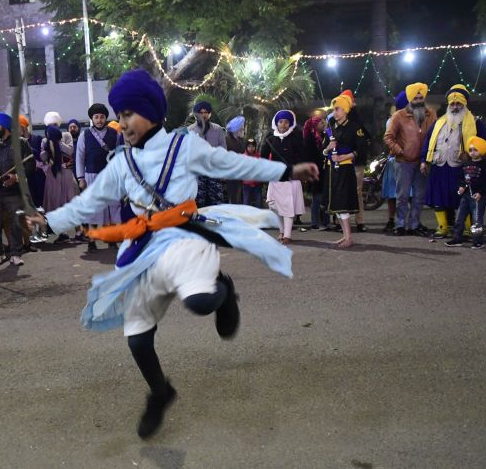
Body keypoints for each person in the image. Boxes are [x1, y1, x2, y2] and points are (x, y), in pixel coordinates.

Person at [25, 69, 319, 440]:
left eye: (128, 112)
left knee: (199, 302)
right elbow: (86, 204)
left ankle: (223, 290)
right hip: (141, 250)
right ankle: (161, 392)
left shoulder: (185, 146)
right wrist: (48, 222)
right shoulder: (121, 163)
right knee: (137, 339)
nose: (121, 121)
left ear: (150, 111)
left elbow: (234, 164)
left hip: (185, 238)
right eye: (119, 114)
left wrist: (288, 169)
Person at [422, 84, 486, 239]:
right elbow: (428, 141)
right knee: (439, 197)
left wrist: (472, 156)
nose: (455, 106)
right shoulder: (438, 122)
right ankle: (443, 227)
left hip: (462, 168)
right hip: (439, 165)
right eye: (452, 103)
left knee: (463, 198)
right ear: (448, 104)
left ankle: (466, 228)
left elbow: (483, 143)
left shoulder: (475, 122)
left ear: (465, 104)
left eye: (459, 103)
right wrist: (424, 160)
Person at [383, 83, 437, 236]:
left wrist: (428, 157)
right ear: (409, 99)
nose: (419, 100)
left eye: (421, 97)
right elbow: (388, 138)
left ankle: (414, 224)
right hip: (403, 162)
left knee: (419, 196)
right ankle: (400, 225)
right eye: (415, 97)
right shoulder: (399, 116)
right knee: (402, 196)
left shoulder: (431, 114)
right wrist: (401, 151)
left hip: (423, 162)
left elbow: (435, 135)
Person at [0, 112, 32, 266]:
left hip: (14, 193)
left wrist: (17, 177)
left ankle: (16, 253)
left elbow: (30, 165)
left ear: (6, 126)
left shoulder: (21, 143)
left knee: (15, 223)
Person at [324, 95, 368, 248]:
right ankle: (344, 236)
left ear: (346, 110)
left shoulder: (355, 127)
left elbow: (361, 149)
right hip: (332, 170)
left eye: (338, 109)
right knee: (336, 205)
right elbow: (323, 149)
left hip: (345, 169)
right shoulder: (331, 126)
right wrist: (328, 148)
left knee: (343, 204)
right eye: (334, 109)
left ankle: (349, 237)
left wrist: (344, 156)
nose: (335, 112)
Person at [76, 103, 120, 252]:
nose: (99, 120)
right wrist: (81, 178)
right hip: (92, 176)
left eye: (102, 117)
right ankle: (91, 241)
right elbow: (80, 157)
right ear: (92, 119)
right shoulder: (85, 135)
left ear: (105, 118)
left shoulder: (115, 134)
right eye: (96, 117)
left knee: (111, 209)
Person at [261, 110, 305, 244]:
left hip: (290, 179)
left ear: (290, 124)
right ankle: (281, 231)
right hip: (275, 178)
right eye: (281, 122)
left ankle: (287, 235)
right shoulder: (270, 138)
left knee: (287, 208)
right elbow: (263, 156)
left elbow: (301, 157)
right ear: (276, 122)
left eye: (286, 122)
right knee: (275, 207)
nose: (283, 125)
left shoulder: (295, 138)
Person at [445, 137, 486, 249]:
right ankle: (457, 238)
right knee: (459, 217)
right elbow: (461, 177)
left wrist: (481, 192)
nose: (472, 152)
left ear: (482, 150)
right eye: (470, 150)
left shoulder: (485, 165)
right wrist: (461, 186)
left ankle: (478, 241)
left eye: (475, 150)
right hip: (465, 196)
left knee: (477, 220)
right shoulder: (466, 164)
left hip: (477, 197)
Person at [40, 113, 79, 242]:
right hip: (53, 174)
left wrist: (57, 141)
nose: (53, 127)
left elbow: (70, 151)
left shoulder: (66, 135)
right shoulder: (45, 140)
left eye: (55, 125)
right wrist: (46, 147)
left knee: (70, 200)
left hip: (66, 172)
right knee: (56, 202)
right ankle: (63, 233)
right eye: (50, 126)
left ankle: (79, 232)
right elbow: (44, 158)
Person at [189, 101, 227, 207]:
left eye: (206, 112)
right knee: (197, 203)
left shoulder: (218, 129)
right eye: (200, 112)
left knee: (217, 203)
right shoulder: (190, 130)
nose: (203, 115)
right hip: (197, 173)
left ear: (209, 114)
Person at [382, 92, 407, 232]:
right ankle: (394, 220)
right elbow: (389, 139)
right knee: (395, 192)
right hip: (397, 159)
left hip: (402, 159)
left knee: (400, 193)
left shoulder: (411, 119)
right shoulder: (393, 120)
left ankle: (397, 220)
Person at [302, 115, 327, 229]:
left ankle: (325, 221)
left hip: (324, 170)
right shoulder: (310, 138)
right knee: (317, 197)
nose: (324, 125)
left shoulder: (324, 136)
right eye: (321, 123)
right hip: (315, 171)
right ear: (315, 125)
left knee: (324, 197)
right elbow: (309, 156)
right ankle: (315, 222)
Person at [20, 115, 45, 209]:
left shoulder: (37, 139)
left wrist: (28, 146)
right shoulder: (18, 143)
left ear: (22, 127)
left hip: (39, 174)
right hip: (27, 176)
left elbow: (41, 156)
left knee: (42, 200)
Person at [224, 116, 246, 204]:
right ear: (237, 129)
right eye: (241, 128)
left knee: (239, 197)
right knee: (233, 197)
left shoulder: (241, 140)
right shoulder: (226, 140)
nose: (243, 129)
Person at [242, 138, 263, 208]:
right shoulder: (243, 157)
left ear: (255, 147)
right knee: (246, 203)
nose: (251, 148)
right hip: (246, 185)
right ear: (246, 147)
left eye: (253, 146)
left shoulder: (259, 156)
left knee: (258, 203)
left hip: (257, 185)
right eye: (249, 146)